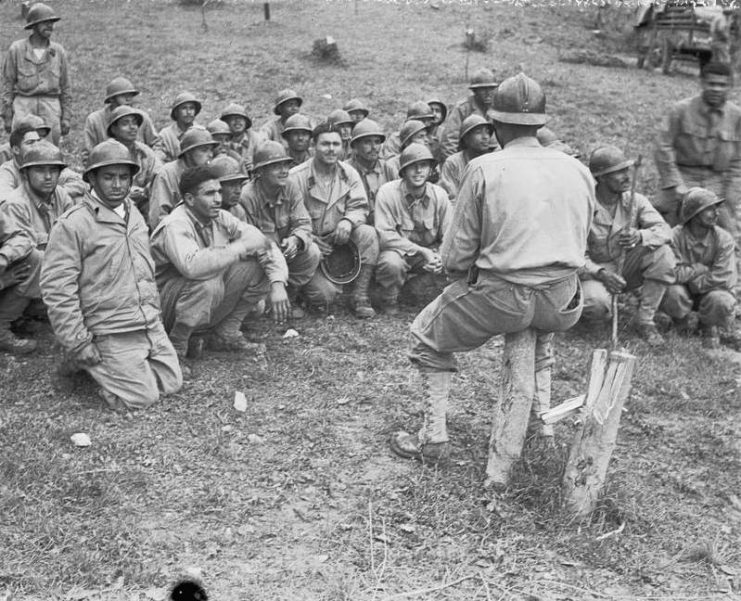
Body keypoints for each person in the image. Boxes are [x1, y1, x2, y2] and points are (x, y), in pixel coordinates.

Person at [389, 73, 595, 463]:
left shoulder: (484, 167)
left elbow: (455, 257)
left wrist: (472, 277)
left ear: (497, 124)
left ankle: (433, 438)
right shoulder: (577, 169)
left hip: (504, 296)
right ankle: (542, 429)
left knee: (424, 337)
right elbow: (581, 238)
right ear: (540, 123)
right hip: (564, 299)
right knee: (541, 337)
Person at [40, 140, 182, 411]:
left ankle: (124, 364)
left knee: (172, 383)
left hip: (145, 322)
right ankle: (77, 358)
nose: (117, 185)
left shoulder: (134, 215)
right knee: (143, 398)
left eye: (123, 177)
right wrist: (79, 341)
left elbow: (145, 272)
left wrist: (153, 315)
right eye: (108, 177)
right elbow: (57, 289)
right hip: (107, 326)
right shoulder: (73, 224)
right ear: (91, 178)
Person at [150, 165, 290, 362]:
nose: (218, 199)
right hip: (163, 308)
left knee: (259, 267)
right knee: (209, 281)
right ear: (190, 199)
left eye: (218, 191)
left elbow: (262, 242)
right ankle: (176, 348)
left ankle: (225, 333)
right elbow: (193, 267)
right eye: (209, 193)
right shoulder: (176, 223)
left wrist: (277, 283)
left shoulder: (219, 216)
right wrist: (238, 249)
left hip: (195, 299)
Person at [579, 146, 676, 346]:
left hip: (626, 269)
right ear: (602, 177)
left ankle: (645, 320)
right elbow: (574, 256)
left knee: (663, 254)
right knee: (595, 305)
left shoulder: (635, 200)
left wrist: (640, 235)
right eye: (619, 172)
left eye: (627, 170)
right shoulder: (583, 206)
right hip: (594, 274)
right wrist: (601, 273)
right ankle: (593, 323)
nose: (626, 176)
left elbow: (664, 230)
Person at [289, 122, 378, 318]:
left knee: (369, 234)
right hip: (308, 248)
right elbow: (288, 220)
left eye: (336, 144)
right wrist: (309, 238)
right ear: (313, 147)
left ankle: (359, 295)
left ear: (343, 147)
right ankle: (296, 293)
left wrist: (348, 221)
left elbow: (360, 206)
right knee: (325, 296)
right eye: (325, 144)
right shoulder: (296, 178)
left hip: (338, 243)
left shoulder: (349, 173)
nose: (331, 149)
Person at [0, 140, 72, 353]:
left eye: (53, 170)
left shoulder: (61, 195)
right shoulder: (15, 204)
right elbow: (22, 246)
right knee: (34, 259)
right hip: (16, 273)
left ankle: (30, 313)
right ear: (25, 174)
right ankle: (2, 326)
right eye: (40, 170)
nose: (48, 176)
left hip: (48, 269)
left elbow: (73, 233)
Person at [654, 62, 741, 236]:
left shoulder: (736, 116)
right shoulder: (680, 110)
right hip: (682, 175)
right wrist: (676, 184)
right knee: (662, 227)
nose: (716, 89)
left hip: (717, 180)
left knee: (727, 233)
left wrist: (732, 189)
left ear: (730, 86)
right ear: (702, 83)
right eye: (712, 84)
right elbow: (663, 147)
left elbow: (738, 159)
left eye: (722, 85)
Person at [240, 141, 321, 319]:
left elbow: (303, 222)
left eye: (285, 165)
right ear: (260, 172)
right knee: (256, 309)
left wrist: (296, 240)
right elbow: (249, 244)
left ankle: (288, 295)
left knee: (312, 252)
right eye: (276, 166)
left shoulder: (290, 187)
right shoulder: (246, 197)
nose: (284, 170)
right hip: (260, 262)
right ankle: (269, 298)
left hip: (286, 255)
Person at [374, 143, 450, 316]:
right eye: (412, 167)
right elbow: (385, 237)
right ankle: (389, 298)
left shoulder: (440, 195)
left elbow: (449, 234)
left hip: (430, 254)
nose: (418, 171)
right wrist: (422, 251)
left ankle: (415, 290)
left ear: (430, 170)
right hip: (398, 252)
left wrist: (440, 256)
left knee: (455, 261)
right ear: (403, 171)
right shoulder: (387, 193)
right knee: (390, 263)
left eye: (423, 166)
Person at [662, 187, 741, 349]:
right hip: (682, 291)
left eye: (716, 209)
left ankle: (708, 326)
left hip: (711, 291)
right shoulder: (673, 236)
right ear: (694, 213)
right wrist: (698, 269)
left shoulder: (723, 239)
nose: (716, 213)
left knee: (722, 299)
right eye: (709, 209)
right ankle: (679, 323)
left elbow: (723, 276)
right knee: (672, 291)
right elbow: (669, 272)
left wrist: (694, 283)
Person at [1, 3, 71, 144]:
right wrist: (7, 115)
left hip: (51, 107)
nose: (49, 26)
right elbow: (7, 85)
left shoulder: (58, 51)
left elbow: (66, 87)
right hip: (24, 106)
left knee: (51, 151)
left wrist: (66, 117)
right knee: (22, 147)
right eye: (44, 22)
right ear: (33, 25)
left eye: (51, 22)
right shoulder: (17, 49)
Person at [0, 116, 86, 201]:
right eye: (31, 142)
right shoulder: (8, 170)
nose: (37, 146)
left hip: (50, 210)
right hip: (23, 211)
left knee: (78, 199)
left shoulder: (47, 160)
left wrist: (54, 194)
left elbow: (82, 182)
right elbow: (4, 198)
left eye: (39, 140)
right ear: (16, 149)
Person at [149, 128, 218, 228]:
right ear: (189, 153)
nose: (210, 155)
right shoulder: (167, 174)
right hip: (175, 233)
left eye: (211, 150)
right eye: (204, 150)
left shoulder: (207, 173)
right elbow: (159, 217)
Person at [82, 76, 159, 162]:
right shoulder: (95, 120)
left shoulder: (142, 117)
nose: (128, 99)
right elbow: (88, 154)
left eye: (130, 95)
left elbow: (157, 144)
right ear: (112, 99)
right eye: (123, 95)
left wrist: (150, 162)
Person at [107, 105, 162, 218]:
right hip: (112, 205)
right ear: (114, 129)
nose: (132, 127)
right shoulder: (105, 153)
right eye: (125, 123)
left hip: (143, 202)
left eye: (134, 123)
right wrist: (126, 193)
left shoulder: (144, 151)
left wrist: (146, 190)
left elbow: (159, 175)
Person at [439, 68, 498, 161]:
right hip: (466, 160)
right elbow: (449, 142)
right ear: (475, 91)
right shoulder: (462, 109)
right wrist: (455, 167)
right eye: (483, 90)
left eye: (491, 89)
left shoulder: (498, 108)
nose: (488, 93)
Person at [346, 119, 397, 225]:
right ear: (355, 146)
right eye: (367, 142)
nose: (374, 147)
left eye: (377, 142)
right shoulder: (345, 170)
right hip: (356, 224)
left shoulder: (388, 169)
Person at [439, 114, 494, 202]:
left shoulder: (493, 161)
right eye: (478, 132)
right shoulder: (453, 163)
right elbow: (451, 198)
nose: (485, 137)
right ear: (466, 138)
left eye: (487, 132)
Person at [153, 92, 203, 163]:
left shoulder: (201, 132)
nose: (188, 112)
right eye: (184, 108)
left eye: (191, 108)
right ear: (176, 112)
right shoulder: (165, 135)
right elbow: (157, 159)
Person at [220, 103, 263, 174]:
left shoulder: (256, 139)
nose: (237, 122)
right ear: (225, 122)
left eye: (241, 118)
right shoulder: (221, 140)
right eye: (233, 118)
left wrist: (255, 166)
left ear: (246, 122)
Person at [210, 154, 249, 221]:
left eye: (240, 185)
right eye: (232, 185)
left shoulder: (237, 211)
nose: (238, 191)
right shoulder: (204, 211)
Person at [427, 97, 448, 163]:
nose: (434, 114)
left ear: (442, 116)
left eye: (437, 111)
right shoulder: (419, 132)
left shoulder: (445, 133)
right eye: (431, 110)